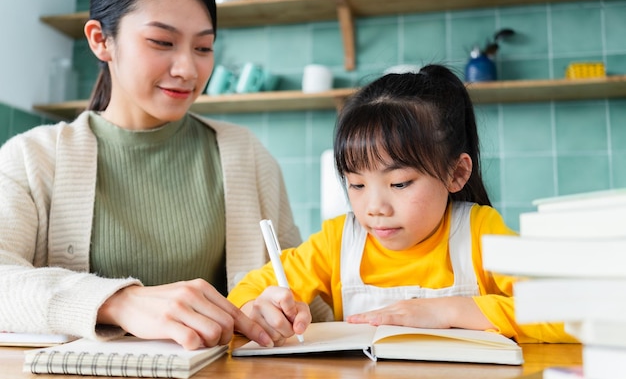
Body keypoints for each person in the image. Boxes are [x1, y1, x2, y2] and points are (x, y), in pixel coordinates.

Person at [0, 0, 305, 350]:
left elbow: (301, 285)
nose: (187, 69)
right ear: (100, 40)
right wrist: (119, 302)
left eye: (203, 48)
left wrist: (275, 309)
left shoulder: (247, 156)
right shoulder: (32, 158)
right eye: (162, 42)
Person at [228, 65, 578, 346]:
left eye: (399, 183)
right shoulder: (338, 241)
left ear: (456, 174)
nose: (375, 207)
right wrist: (258, 310)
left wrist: (451, 311)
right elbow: (245, 295)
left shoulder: (480, 232)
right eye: (357, 184)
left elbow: (573, 310)